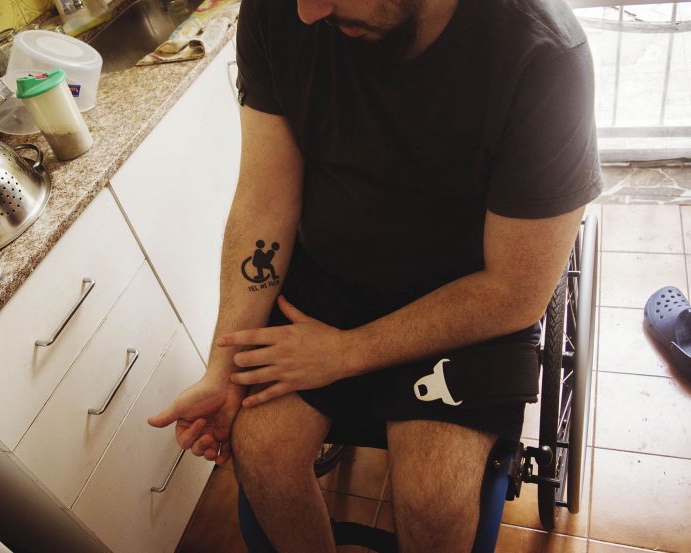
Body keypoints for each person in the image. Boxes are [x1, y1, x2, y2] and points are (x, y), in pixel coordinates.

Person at [148, 0, 603, 549]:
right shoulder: (278, 11)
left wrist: (346, 353)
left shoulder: (544, 55)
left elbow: (514, 291)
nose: (308, 13)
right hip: (330, 284)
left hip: (466, 301)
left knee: (434, 498)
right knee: (261, 453)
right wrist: (221, 370)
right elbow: (264, 200)